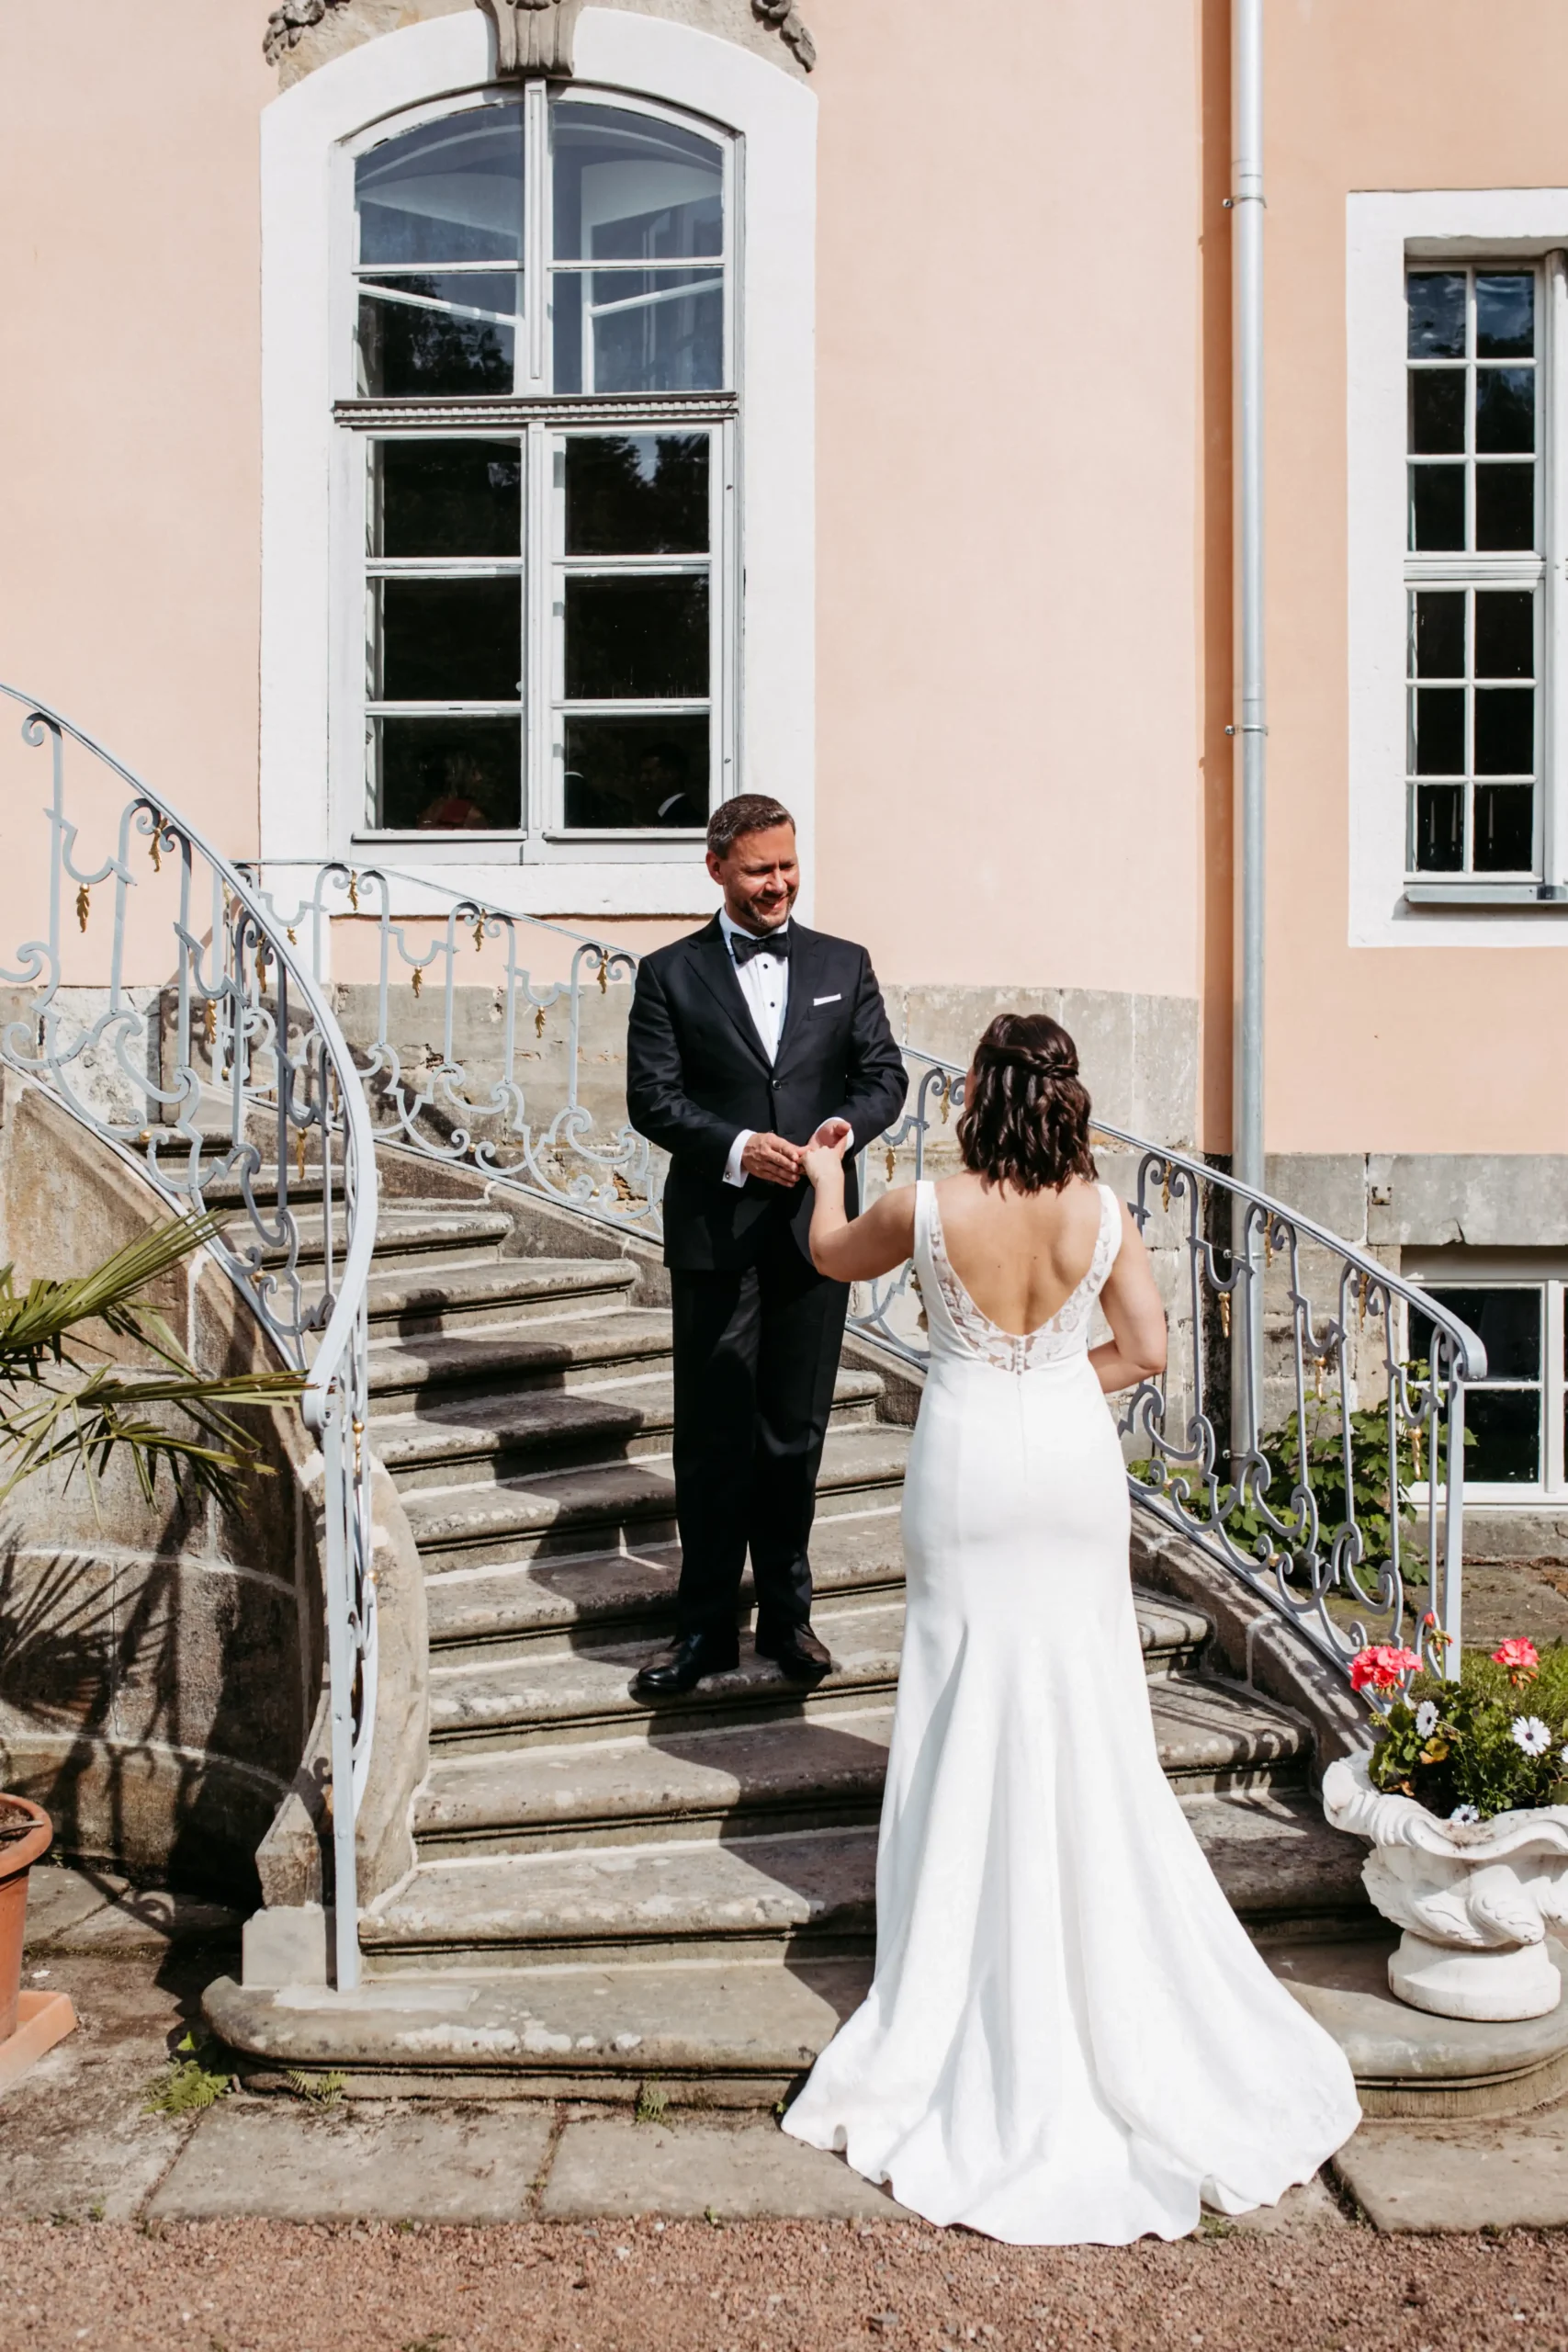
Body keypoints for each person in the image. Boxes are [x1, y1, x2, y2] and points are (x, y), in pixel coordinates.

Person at [781, 1012, 1361, 2245]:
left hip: (967, 1460)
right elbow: (1144, 1348)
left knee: (960, 1691)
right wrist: (1048, 1375)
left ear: (975, 1098)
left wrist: (826, 1172)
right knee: (1083, 1704)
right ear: (1063, 1100)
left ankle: (955, 1962)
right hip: (1066, 1458)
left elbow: (827, 1255)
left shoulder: (923, 1205)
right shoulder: (1101, 1213)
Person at [625, 795, 908, 1697]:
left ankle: (789, 1619)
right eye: (759, 870)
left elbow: (884, 1076)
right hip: (715, 1234)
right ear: (717, 869)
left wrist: (838, 1131)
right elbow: (652, 1099)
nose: (778, 883)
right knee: (713, 1438)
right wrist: (741, 1148)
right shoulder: (669, 974)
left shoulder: (842, 963)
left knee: (795, 1431)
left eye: (787, 865)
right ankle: (705, 1628)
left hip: (818, 1237)